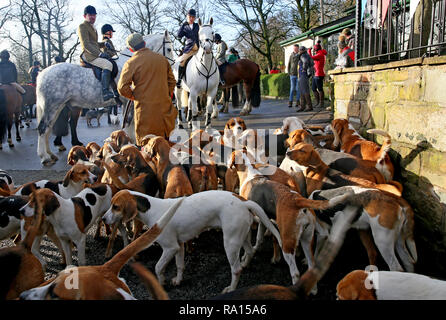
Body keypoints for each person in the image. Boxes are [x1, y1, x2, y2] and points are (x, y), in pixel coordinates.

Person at [118, 33, 177, 146]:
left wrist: (135, 96)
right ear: (144, 43)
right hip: (165, 115)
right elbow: (172, 81)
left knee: (147, 150)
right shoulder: (162, 59)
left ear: (131, 49)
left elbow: (122, 88)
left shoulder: (131, 63)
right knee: (166, 146)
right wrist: (165, 95)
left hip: (145, 116)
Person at [77, 5, 114, 101]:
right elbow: (86, 45)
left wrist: (104, 44)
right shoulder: (83, 26)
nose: (93, 17)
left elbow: (94, 44)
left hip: (94, 53)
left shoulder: (93, 28)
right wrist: (100, 54)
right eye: (90, 15)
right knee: (108, 64)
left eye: (94, 15)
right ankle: (105, 92)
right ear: (85, 16)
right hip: (88, 55)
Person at [176, 9, 200, 88]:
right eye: (190, 17)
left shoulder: (197, 26)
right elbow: (179, 35)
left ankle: (219, 78)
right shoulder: (185, 26)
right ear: (187, 17)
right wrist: (183, 25)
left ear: (195, 18)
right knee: (182, 62)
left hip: (198, 48)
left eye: (193, 17)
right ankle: (179, 80)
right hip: (189, 49)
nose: (191, 18)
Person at [308, 40, 327, 108]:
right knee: (313, 88)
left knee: (320, 89)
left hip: (319, 74)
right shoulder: (320, 53)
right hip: (316, 74)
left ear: (316, 49)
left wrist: (309, 51)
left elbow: (311, 58)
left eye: (314, 49)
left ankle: (321, 103)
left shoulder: (320, 54)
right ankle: (318, 102)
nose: (314, 50)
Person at [296, 45, 314, 112]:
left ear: (301, 50)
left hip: (303, 74)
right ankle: (302, 106)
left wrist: (304, 69)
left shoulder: (303, 55)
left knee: (305, 91)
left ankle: (309, 106)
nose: (299, 51)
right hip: (303, 75)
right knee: (302, 90)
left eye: (300, 50)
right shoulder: (306, 55)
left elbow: (305, 62)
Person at [287, 44, 300, 108]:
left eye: (296, 48)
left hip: (298, 75)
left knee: (298, 89)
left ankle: (298, 102)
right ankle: (290, 102)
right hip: (292, 75)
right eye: (294, 48)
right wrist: (289, 73)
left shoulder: (300, 55)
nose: (295, 49)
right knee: (292, 89)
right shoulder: (291, 55)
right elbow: (289, 64)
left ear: (298, 49)